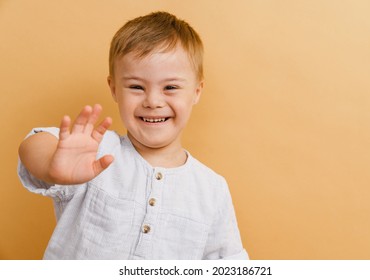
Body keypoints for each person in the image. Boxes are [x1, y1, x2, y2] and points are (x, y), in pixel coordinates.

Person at [18, 11, 248, 260]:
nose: (153, 101)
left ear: (196, 91)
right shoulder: (95, 153)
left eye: (170, 87)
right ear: (114, 89)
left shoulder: (212, 189)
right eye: (136, 87)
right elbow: (35, 142)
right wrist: (51, 166)